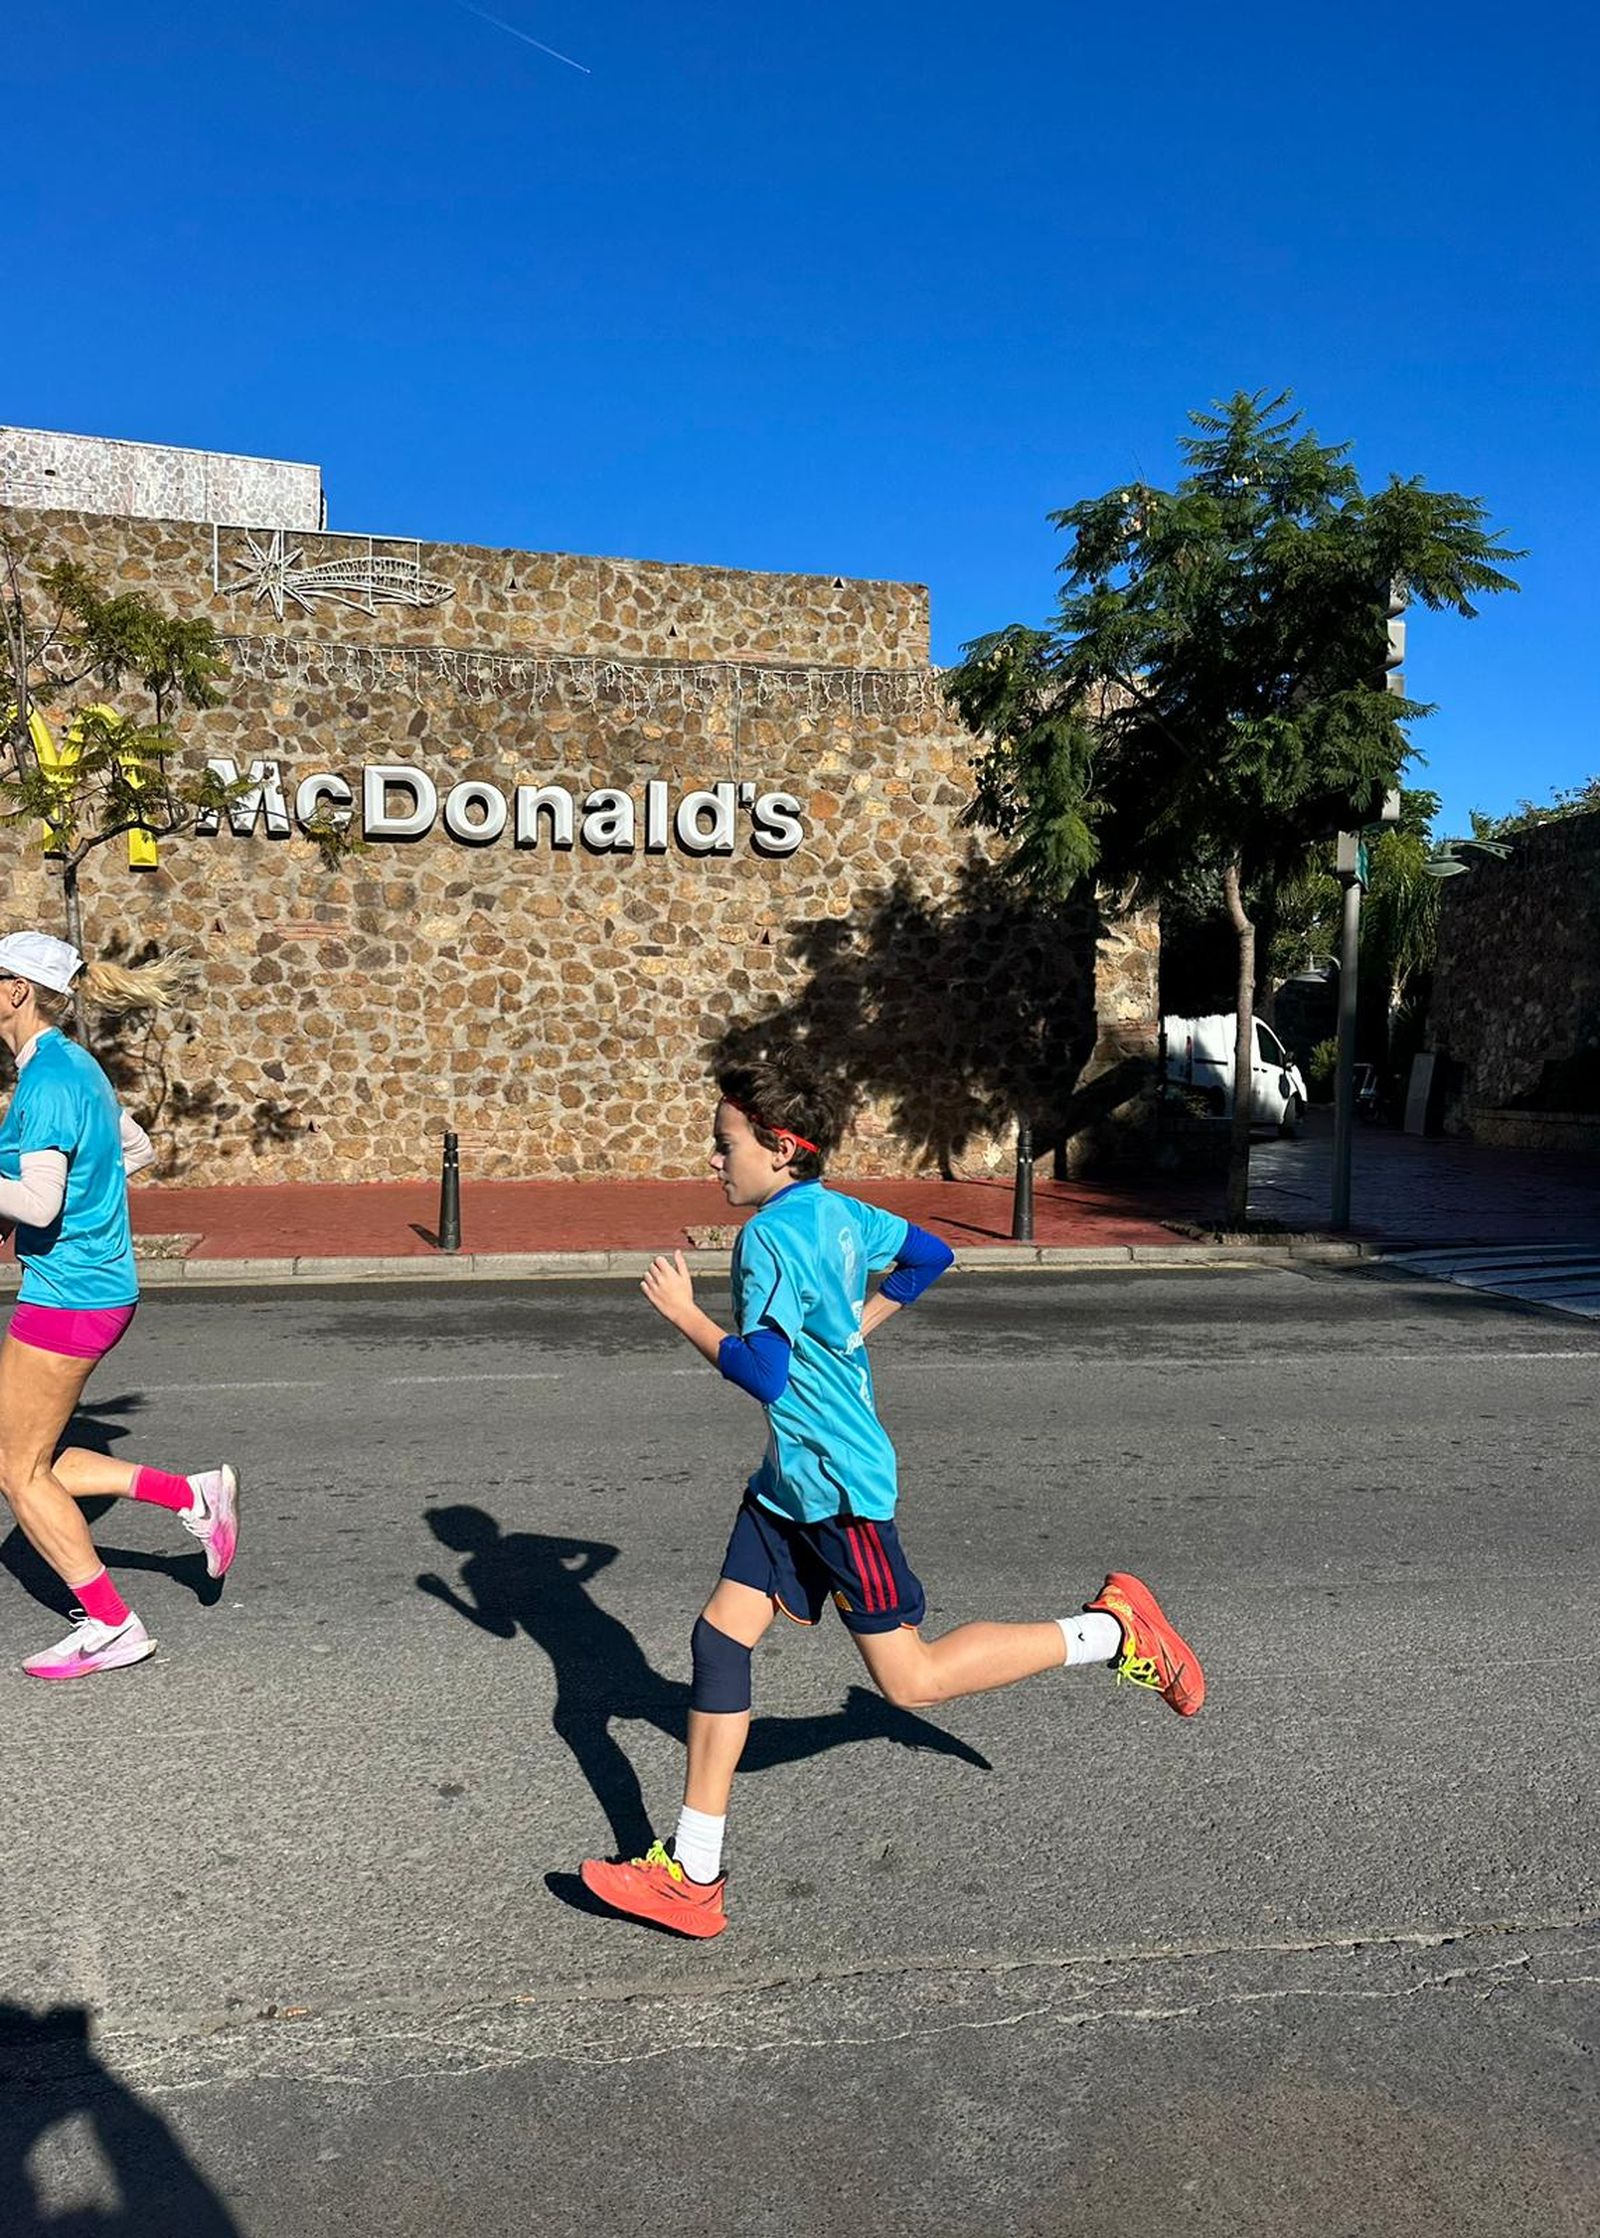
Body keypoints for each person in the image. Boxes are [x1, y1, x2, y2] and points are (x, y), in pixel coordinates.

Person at [580, 1054, 1204, 1938]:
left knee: (912, 1680)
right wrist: (858, 1327)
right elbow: (929, 1254)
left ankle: (1111, 1630)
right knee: (719, 1639)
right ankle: (694, 1874)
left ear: (781, 1148)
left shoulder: (767, 1239)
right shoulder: (839, 1213)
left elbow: (763, 1372)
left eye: (725, 1144)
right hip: (788, 1486)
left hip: (837, 1489)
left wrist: (684, 1311)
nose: (713, 1160)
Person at [0, 930, 238, 1680]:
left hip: (69, 1294)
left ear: (16, 990)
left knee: (17, 1471)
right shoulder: (78, 1067)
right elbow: (133, 1150)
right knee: (27, 1457)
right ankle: (191, 1495)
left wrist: (58, 1209)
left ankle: (111, 1625)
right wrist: (85, 1201)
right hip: (93, 1285)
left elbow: (39, 1204)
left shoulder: (46, 1082)